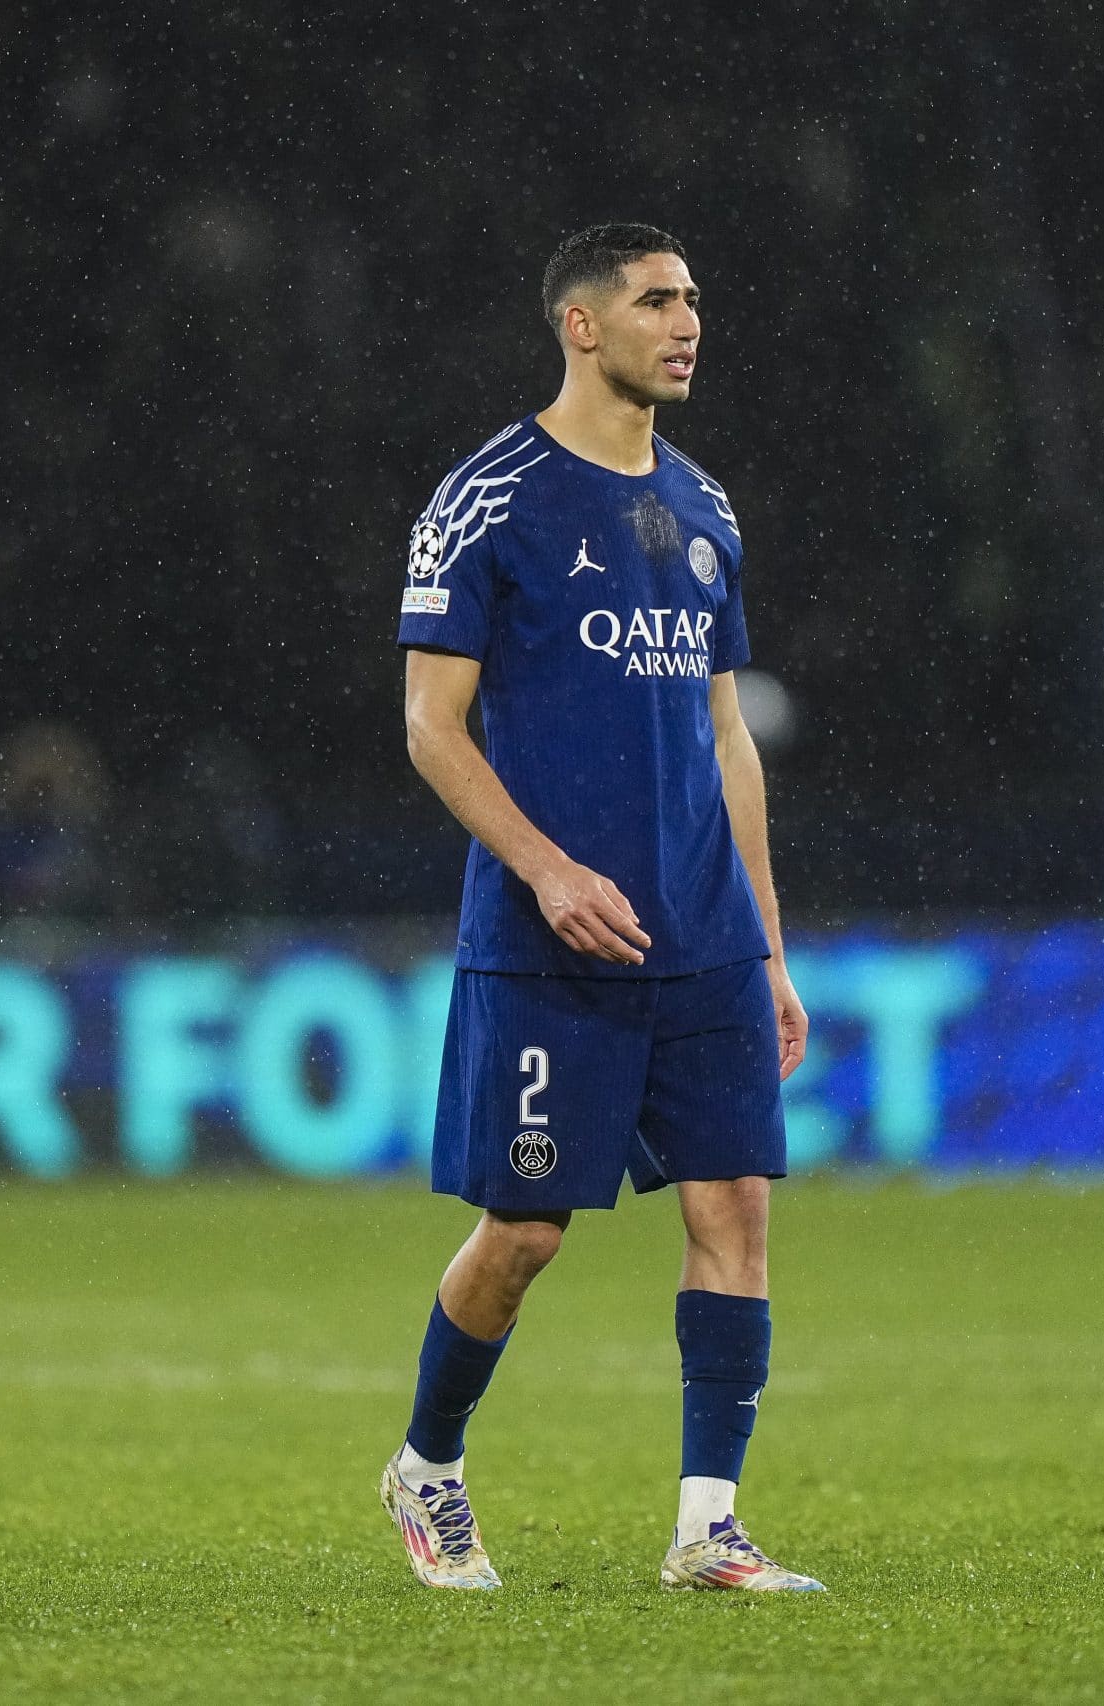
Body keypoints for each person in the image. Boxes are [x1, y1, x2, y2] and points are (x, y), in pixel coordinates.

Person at [382, 224, 821, 1593]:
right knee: (524, 1235)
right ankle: (428, 1466)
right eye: (656, 300)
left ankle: (708, 1524)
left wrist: (770, 943)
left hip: (700, 937)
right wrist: (548, 870)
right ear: (583, 324)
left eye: (694, 297)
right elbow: (430, 727)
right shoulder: (489, 499)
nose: (688, 321)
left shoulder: (706, 510)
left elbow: (727, 740)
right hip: (548, 942)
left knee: (735, 1211)